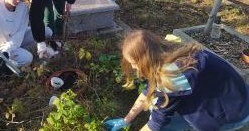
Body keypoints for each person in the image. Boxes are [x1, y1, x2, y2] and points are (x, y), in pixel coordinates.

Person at [105, 30, 249, 131]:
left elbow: (156, 124)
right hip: (237, 96)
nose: (132, 66)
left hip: (233, 114)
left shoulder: (174, 76)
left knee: (163, 120)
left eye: (134, 63)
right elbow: (150, 89)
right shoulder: (169, 53)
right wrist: (126, 120)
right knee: (155, 104)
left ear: (145, 60)